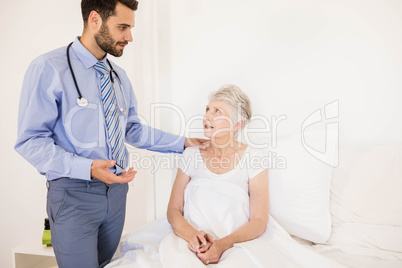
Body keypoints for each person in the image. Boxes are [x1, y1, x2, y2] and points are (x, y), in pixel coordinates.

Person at [14, 1, 205, 267]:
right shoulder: (48, 68)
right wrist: (88, 167)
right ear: (95, 19)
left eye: (131, 28)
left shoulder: (118, 76)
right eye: (122, 27)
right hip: (74, 195)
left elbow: (131, 129)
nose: (130, 37)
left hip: (116, 196)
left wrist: (183, 143)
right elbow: (30, 141)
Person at [166, 85, 269, 266]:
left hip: (235, 245)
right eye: (207, 109)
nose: (207, 116)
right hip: (188, 242)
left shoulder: (254, 157)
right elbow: (174, 211)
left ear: (237, 125)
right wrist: (193, 237)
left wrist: (223, 244)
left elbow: (259, 220)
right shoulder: (191, 154)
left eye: (217, 111)